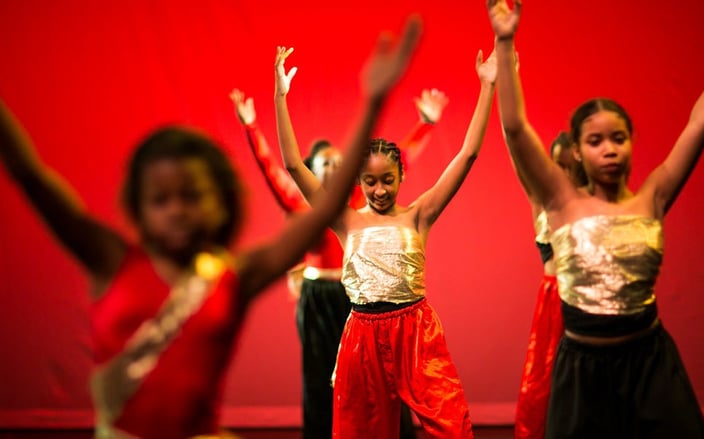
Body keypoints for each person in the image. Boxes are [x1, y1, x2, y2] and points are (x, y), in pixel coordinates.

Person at [0, 15, 422, 439]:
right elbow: (30, 176)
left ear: (220, 204)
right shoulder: (111, 261)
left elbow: (323, 207)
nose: (177, 211)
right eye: (161, 200)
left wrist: (373, 103)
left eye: (192, 197)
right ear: (138, 206)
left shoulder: (231, 277)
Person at [488, 0, 704, 437]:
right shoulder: (559, 201)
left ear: (631, 144)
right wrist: (506, 39)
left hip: (650, 367)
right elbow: (515, 128)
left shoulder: (652, 197)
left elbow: (700, 125)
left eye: (618, 138)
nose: (609, 148)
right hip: (582, 372)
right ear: (577, 151)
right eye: (595, 140)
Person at [273, 35, 497, 437]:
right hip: (362, 332)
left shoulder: (419, 215)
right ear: (358, 181)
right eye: (371, 182)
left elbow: (467, 155)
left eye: (388, 181)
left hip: (415, 330)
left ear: (401, 177)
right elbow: (292, 164)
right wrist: (280, 96)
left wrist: (488, 87)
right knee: (361, 429)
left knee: (451, 423)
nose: (380, 191)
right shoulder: (344, 219)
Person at [229, 87, 448, 439]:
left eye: (337, 163)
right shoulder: (301, 204)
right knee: (320, 379)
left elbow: (397, 159)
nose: (333, 167)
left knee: (381, 378)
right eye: (324, 164)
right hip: (317, 297)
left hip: (354, 299)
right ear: (313, 171)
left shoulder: (357, 203)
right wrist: (252, 126)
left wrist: (426, 123)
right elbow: (274, 167)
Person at [513, 132, 581, 439]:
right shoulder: (541, 202)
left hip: (585, 302)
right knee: (545, 382)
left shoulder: (593, 206)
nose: (563, 174)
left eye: (571, 167)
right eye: (557, 165)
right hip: (553, 302)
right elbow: (518, 155)